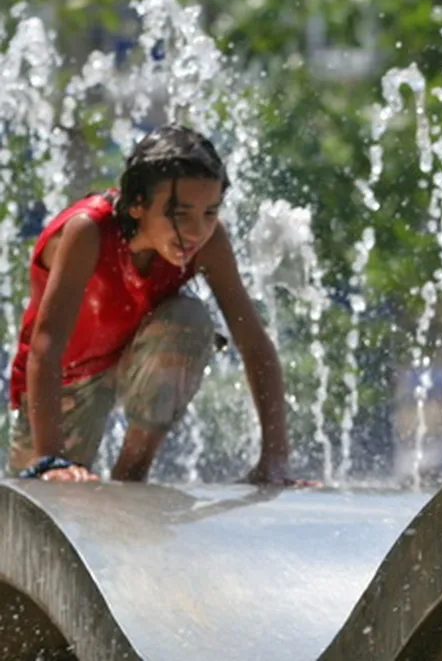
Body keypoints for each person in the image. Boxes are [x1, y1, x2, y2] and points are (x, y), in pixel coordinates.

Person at [6, 124, 301, 485]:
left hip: (132, 357)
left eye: (210, 212)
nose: (196, 231)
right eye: (180, 215)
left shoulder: (208, 242)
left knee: (189, 319)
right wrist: (50, 460)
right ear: (136, 205)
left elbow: (254, 343)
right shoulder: (89, 231)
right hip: (65, 380)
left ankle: (133, 471)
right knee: (55, 494)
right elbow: (46, 346)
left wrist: (276, 459)